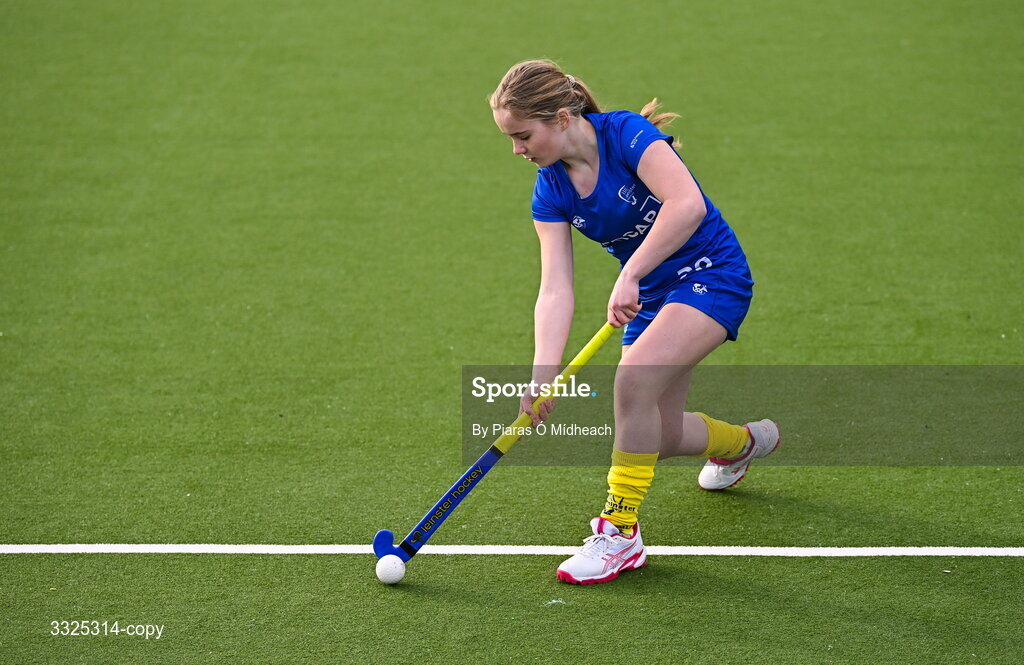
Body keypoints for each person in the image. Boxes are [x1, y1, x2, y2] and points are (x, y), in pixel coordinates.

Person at [489, 60, 780, 585]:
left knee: (633, 380)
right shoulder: (549, 190)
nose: (517, 150)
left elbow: (687, 204)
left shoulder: (626, 134)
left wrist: (633, 273)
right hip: (651, 294)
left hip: (712, 274)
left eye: (522, 135)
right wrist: (541, 374)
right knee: (658, 434)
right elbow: (554, 289)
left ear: (559, 117)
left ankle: (620, 533)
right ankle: (741, 444)